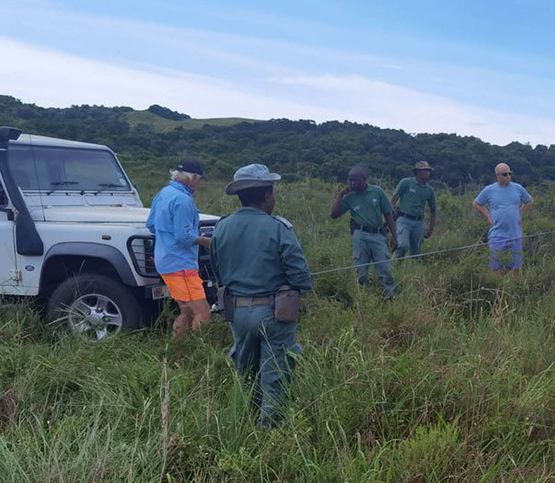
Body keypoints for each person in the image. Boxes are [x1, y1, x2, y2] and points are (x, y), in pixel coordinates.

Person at [211, 164, 312, 429]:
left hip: (238, 313)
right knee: (275, 374)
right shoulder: (279, 228)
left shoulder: (221, 228)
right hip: (274, 314)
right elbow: (301, 277)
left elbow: (217, 270)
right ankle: (270, 433)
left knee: (246, 372)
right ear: (267, 196)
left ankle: (247, 423)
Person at [145, 159, 212, 339]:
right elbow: (185, 237)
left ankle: (178, 351)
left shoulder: (163, 193)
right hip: (181, 264)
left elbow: (151, 225)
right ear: (192, 178)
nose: (198, 183)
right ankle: (198, 354)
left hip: (165, 261)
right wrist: (206, 241)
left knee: (186, 311)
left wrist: (166, 239)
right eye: (199, 179)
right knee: (202, 312)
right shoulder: (183, 200)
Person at [330, 167, 397, 299]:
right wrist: (340, 195)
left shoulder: (377, 192)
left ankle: (390, 297)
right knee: (361, 271)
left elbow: (388, 214)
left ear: (364, 180)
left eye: (356, 181)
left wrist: (395, 236)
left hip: (378, 235)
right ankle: (365, 298)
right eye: (350, 181)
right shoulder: (349, 196)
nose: (352, 184)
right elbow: (334, 214)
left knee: (385, 269)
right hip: (360, 235)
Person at [473, 163, 533, 274]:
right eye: (505, 174)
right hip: (497, 234)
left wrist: (521, 213)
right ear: (498, 175)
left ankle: (512, 289)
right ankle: (498, 289)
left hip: (515, 234)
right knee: (496, 268)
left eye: (510, 174)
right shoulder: (489, 190)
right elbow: (476, 203)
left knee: (515, 267)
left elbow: (529, 201)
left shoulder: (518, 188)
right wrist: (488, 216)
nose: (508, 177)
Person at [391, 160, 437, 258]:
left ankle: (412, 272)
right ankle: (394, 266)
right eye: (425, 170)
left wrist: (430, 229)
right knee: (403, 245)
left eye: (428, 170)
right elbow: (393, 200)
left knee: (416, 253)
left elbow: (433, 211)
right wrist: (389, 220)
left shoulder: (429, 190)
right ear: (418, 172)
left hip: (419, 222)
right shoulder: (406, 183)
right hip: (403, 219)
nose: (428, 173)